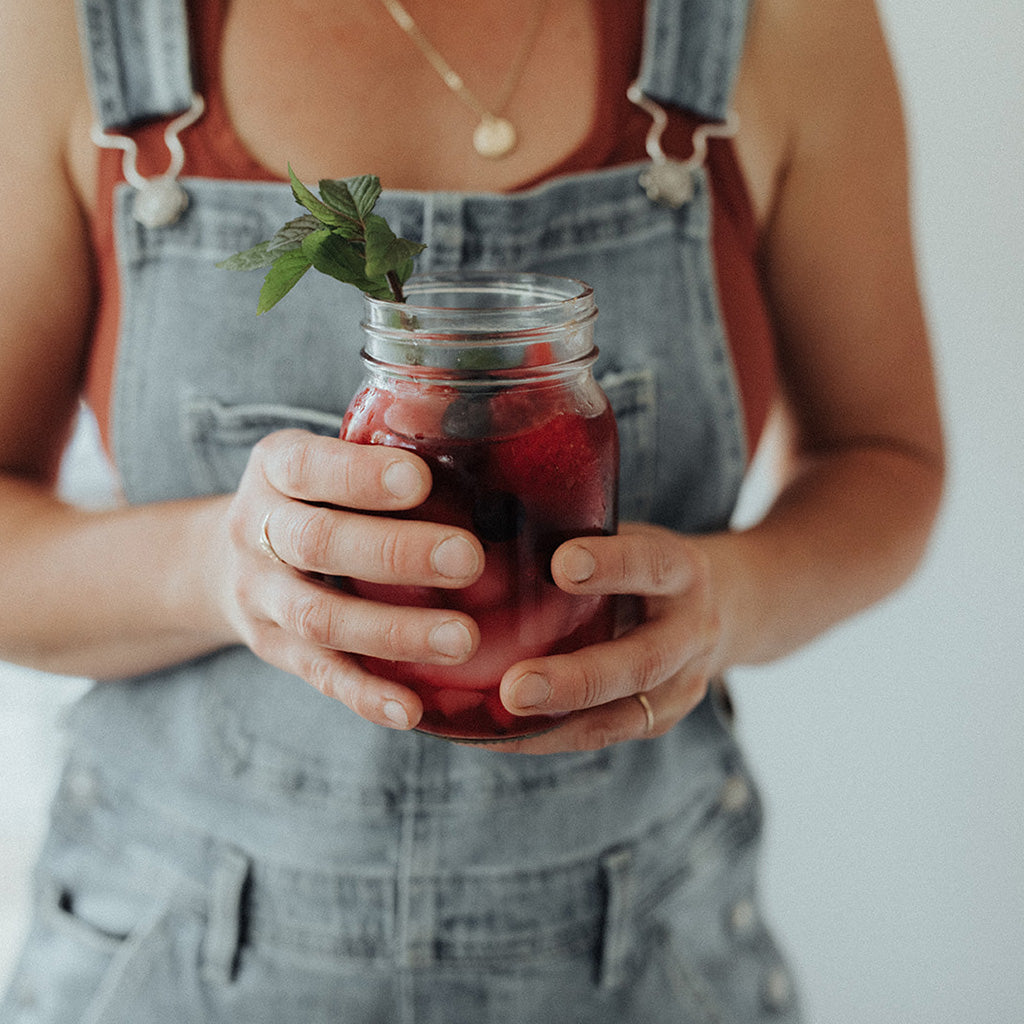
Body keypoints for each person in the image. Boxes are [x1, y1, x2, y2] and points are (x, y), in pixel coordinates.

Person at [0, 0, 944, 1020]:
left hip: (634, 946)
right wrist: (211, 570)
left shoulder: (787, 21)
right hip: (174, 952)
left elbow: (884, 458)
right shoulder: (63, 23)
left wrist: (732, 598)